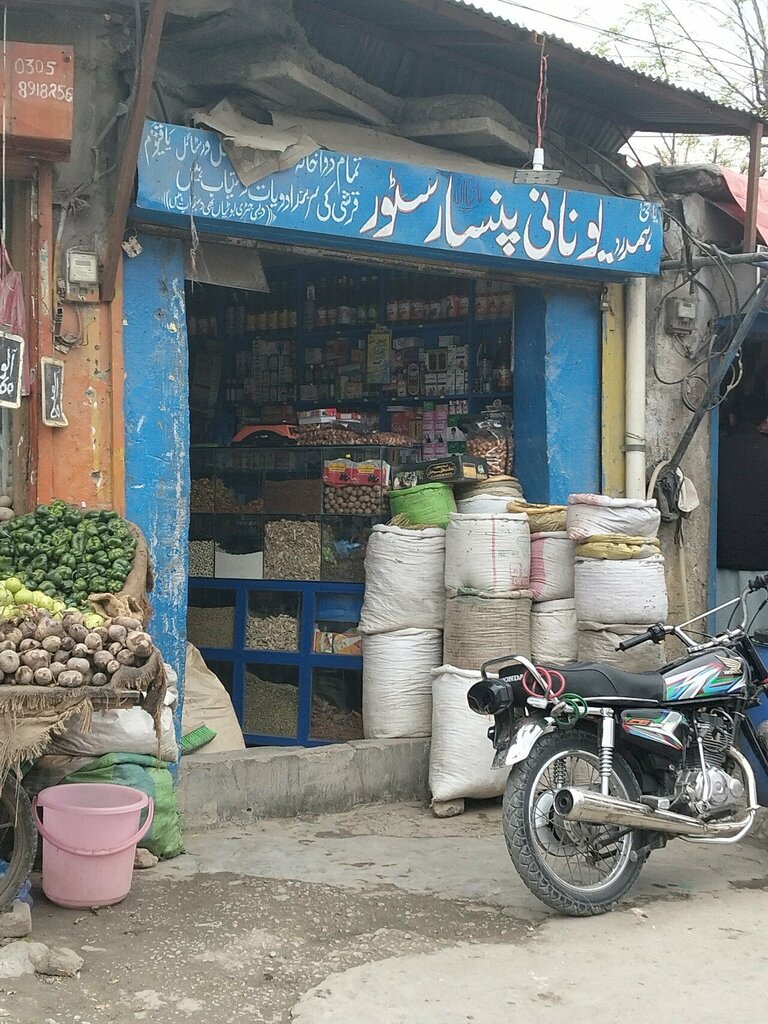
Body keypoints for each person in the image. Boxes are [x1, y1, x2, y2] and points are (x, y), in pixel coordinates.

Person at [716, 398, 768, 633]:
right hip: (761, 561)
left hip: (721, 559)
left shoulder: (716, 451)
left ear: (732, 419)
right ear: (763, 422)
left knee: (722, 632)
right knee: (758, 633)